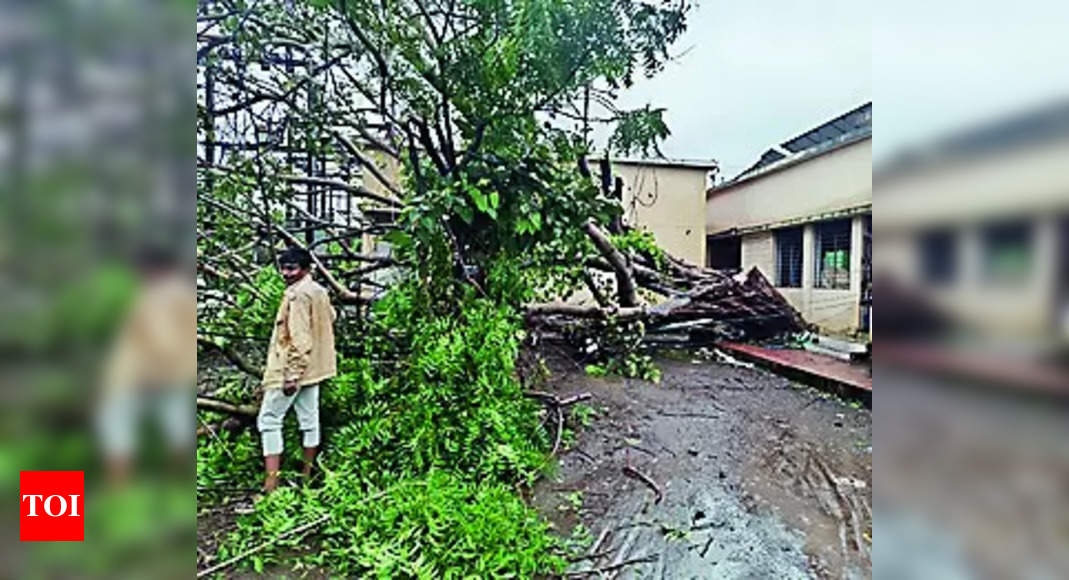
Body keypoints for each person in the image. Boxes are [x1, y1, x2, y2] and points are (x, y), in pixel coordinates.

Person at [257, 247, 337, 492]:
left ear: (306, 269)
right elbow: (331, 317)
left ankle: (271, 485)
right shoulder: (318, 291)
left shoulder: (297, 296)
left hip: (295, 369)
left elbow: (300, 339)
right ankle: (307, 478)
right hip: (315, 369)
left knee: (269, 420)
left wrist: (291, 375)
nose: (286, 273)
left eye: (292, 268)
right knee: (309, 421)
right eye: (283, 267)